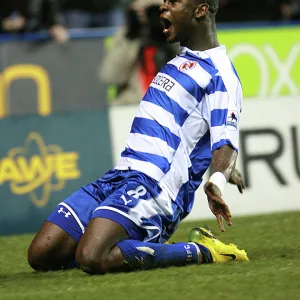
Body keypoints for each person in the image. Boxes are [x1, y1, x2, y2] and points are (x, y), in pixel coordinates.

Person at [28, 0, 249, 274]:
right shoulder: (179, 59)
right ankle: (117, 249)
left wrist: (218, 179)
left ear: (201, 10)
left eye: (173, 2)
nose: (163, 7)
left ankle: (201, 250)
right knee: (41, 254)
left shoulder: (221, 73)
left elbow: (225, 139)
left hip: (157, 188)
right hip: (121, 176)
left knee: (91, 256)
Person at [100, 0, 178, 105]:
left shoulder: (177, 33)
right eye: (140, 11)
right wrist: (131, 38)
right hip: (133, 104)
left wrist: (166, 36)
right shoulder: (125, 36)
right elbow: (110, 77)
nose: (145, 17)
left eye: (153, 10)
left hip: (171, 103)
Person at [0, 0, 68, 44]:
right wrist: (4, 25)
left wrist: (56, 25)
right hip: (7, 45)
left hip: (34, 43)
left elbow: (50, 15)